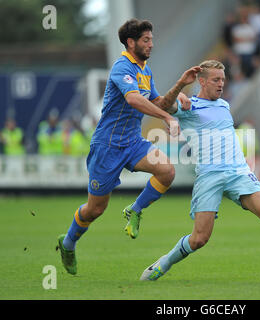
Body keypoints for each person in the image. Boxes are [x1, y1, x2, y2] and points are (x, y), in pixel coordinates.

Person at [140, 60, 260, 281]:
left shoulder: (224, 105)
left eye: (223, 79)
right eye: (216, 80)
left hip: (238, 172)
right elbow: (163, 107)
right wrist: (180, 87)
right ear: (202, 81)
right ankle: (164, 263)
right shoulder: (189, 105)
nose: (221, 84)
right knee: (199, 239)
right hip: (209, 176)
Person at [56, 18, 201, 275]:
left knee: (166, 171)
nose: (151, 44)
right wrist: (167, 118)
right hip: (108, 146)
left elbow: (158, 102)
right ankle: (68, 242)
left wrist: (180, 85)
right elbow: (134, 99)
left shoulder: (145, 70)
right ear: (131, 42)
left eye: (152, 39)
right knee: (95, 209)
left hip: (133, 142)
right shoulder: (122, 66)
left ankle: (134, 210)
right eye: (146, 40)